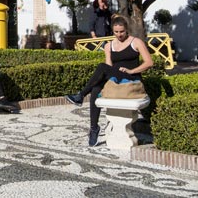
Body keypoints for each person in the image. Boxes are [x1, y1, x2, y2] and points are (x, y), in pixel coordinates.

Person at [65, 15, 154, 146]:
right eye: (116, 32)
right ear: (112, 31)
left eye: (122, 31)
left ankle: (81, 95)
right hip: (116, 77)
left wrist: (132, 71)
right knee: (95, 89)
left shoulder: (136, 42)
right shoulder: (109, 46)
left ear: (126, 29)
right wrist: (107, 80)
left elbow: (149, 62)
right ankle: (94, 128)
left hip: (131, 77)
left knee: (101, 67)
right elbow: (108, 67)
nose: (119, 34)